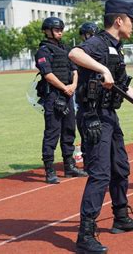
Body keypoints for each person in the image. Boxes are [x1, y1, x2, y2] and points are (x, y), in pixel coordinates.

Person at [69, 0, 133, 254]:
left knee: (120, 168)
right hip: (93, 117)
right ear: (119, 20)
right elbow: (74, 53)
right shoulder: (98, 43)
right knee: (100, 174)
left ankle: (120, 217)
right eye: (131, 20)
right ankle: (85, 234)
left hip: (110, 115)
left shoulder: (116, 48)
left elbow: (125, 86)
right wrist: (101, 69)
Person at [34, 17, 88, 184]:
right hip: (53, 96)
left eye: (61, 29)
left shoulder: (65, 49)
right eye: (57, 30)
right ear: (47, 31)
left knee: (69, 131)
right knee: (52, 132)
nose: (60, 32)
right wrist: (64, 88)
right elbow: (48, 74)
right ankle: (50, 170)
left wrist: (72, 85)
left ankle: (69, 166)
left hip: (68, 94)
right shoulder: (43, 51)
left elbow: (74, 69)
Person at [76, 21, 99, 170]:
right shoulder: (80, 53)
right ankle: (87, 161)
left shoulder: (98, 51)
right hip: (84, 96)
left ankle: (97, 160)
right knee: (86, 130)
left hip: (98, 96)